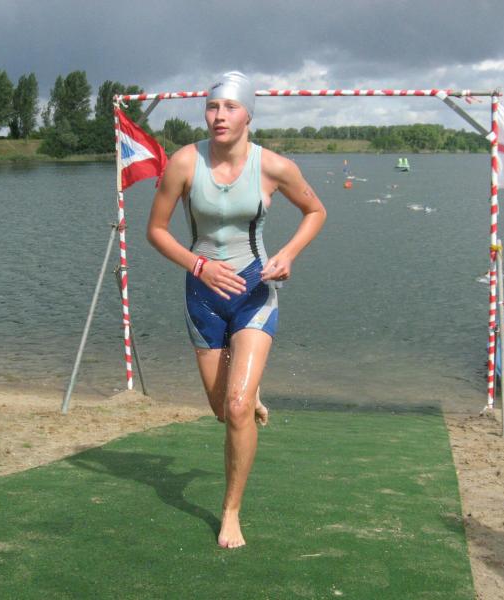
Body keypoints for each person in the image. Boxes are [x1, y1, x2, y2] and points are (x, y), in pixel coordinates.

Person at [146, 71, 326, 549]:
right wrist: (199, 265)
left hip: (253, 290)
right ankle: (247, 390)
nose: (219, 116)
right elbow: (156, 230)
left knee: (238, 406)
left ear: (249, 114)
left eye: (230, 107)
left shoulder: (275, 167)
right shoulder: (184, 163)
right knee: (221, 411)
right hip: (202, 294)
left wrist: (287, 255)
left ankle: (230, 512)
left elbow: (316, 211)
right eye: (212, 107)